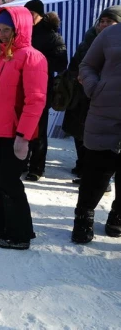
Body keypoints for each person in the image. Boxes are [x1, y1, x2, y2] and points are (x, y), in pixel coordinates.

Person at [0, 7, 47, 250]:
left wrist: (24, 136)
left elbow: (35, 100)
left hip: (17, 133)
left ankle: (20, 233)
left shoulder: (32, 57)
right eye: (0, 29)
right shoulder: (1, 58)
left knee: (10, 182)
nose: (2, 34)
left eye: (7, 30)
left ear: (20, 29)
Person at [71, 22, 121, 244]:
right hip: (106, 113)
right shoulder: (112, 33)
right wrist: (95, 88)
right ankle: (84, 216)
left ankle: (117, 215)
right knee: (96, 172)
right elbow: (87, 65)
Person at [63, 6, 120, 183]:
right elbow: (80, 64)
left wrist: (98, 86)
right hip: (82, 94)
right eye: (102, 21)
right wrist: (86, 81)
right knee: (80, 132)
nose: (104, 25)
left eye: (109, 21)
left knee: (103, 140)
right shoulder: (88, 40)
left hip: (106, 99)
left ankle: (101, 177)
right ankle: (83, 166)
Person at [23, 0, 68, 181]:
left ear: (41, 15)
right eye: (26, 13)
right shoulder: (21, 31)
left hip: (41, 87)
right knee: (22, 127)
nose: (29, 17)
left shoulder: (52, 35)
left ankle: (37, 167)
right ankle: (22, 161)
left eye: (32, 13)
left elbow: (61, 63)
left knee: (39, 128)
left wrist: (35, 63)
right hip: (21, 87)